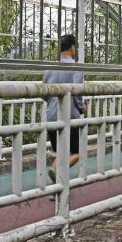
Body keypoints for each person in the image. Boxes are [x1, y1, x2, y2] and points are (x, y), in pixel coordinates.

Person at [44, 34, 85, 182]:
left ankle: (58, 191)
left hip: (51, 115)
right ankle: (55, 168)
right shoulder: (76, 67)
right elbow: (77, 92)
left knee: (60, 152)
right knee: (76, 152)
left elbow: (44, 92)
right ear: (73, 47)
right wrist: (81, 108)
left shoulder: (51, 67)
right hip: (69, 115)